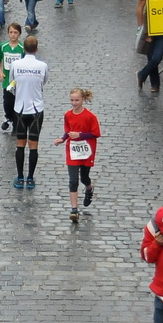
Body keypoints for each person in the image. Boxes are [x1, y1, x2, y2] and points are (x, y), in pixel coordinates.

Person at [55, 86, 100, 223]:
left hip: (86, 151)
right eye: (72, 100)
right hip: (73, 151)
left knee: (84, 177)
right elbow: (68, 131)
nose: (74, 103)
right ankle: (74, 209)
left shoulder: (90, 116)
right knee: (73, 180)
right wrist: (62, 139)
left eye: (77, 100)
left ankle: (89, 187)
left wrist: (80, 135)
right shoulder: (68, 115)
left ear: (83, 100)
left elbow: (96, 133)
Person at [9, 33, 47, 192]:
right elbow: (44, 81)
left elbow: (12, 81)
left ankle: (20, 176)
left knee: (20, 144)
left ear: (23, 49)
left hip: (20, 108)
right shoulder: (42, 66)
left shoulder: (16, 65)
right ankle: (30, 178)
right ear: (37, 49)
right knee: (33, 145)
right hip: (37, 109)